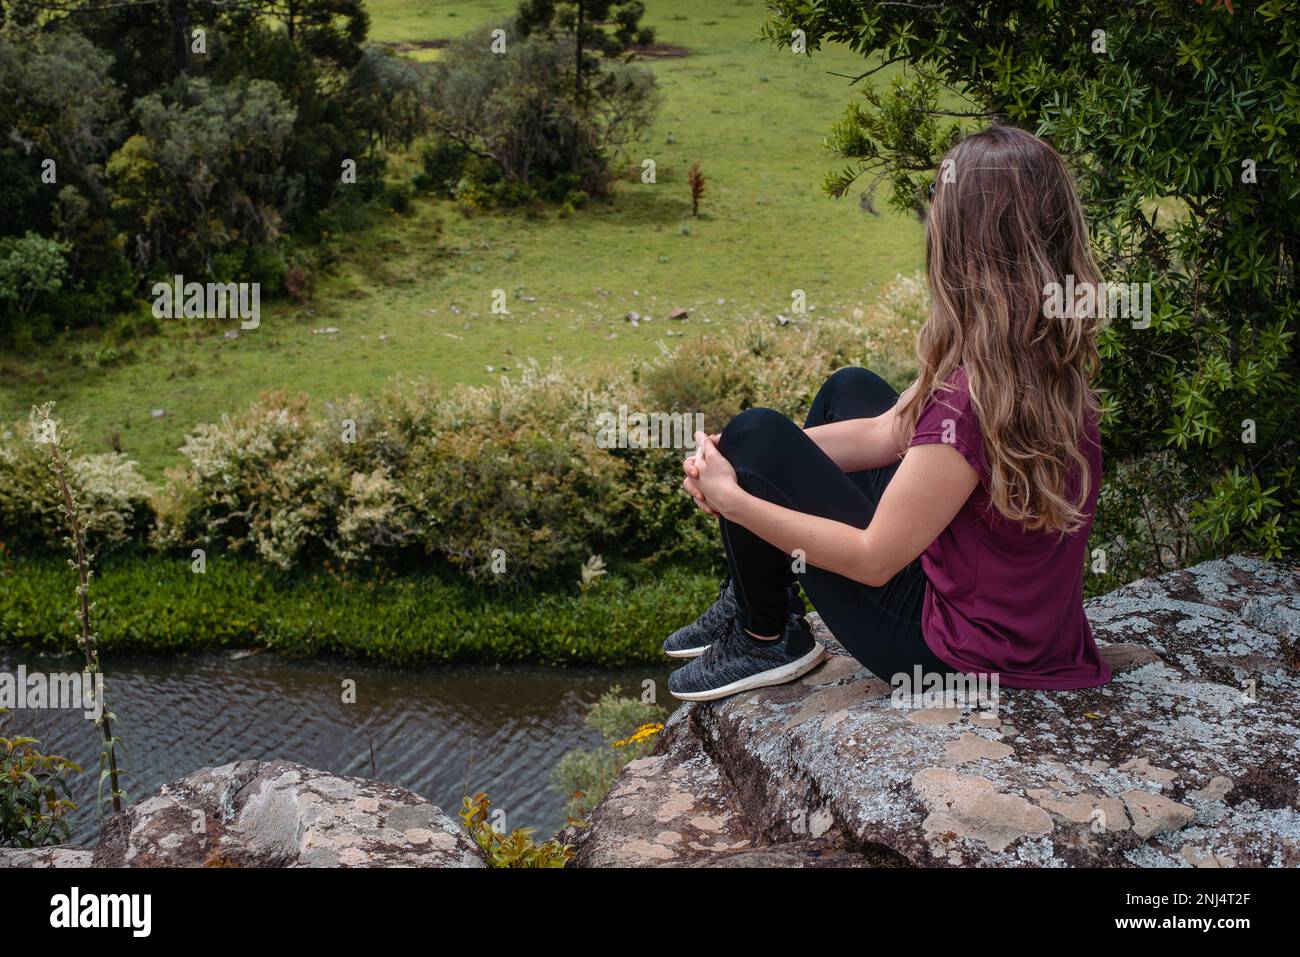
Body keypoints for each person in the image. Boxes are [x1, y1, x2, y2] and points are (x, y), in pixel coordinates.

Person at [667, 125, 1112, 702]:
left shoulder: (969, 400)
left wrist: (737, 499)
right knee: (845, 390)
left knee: (757, 432)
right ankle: (757, 589)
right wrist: (749, 464)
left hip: (949, 654)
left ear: (962, 246)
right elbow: (886, 432)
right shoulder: (1030, 355)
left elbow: (874, 560)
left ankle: (765, 634)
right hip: (1021, 632)